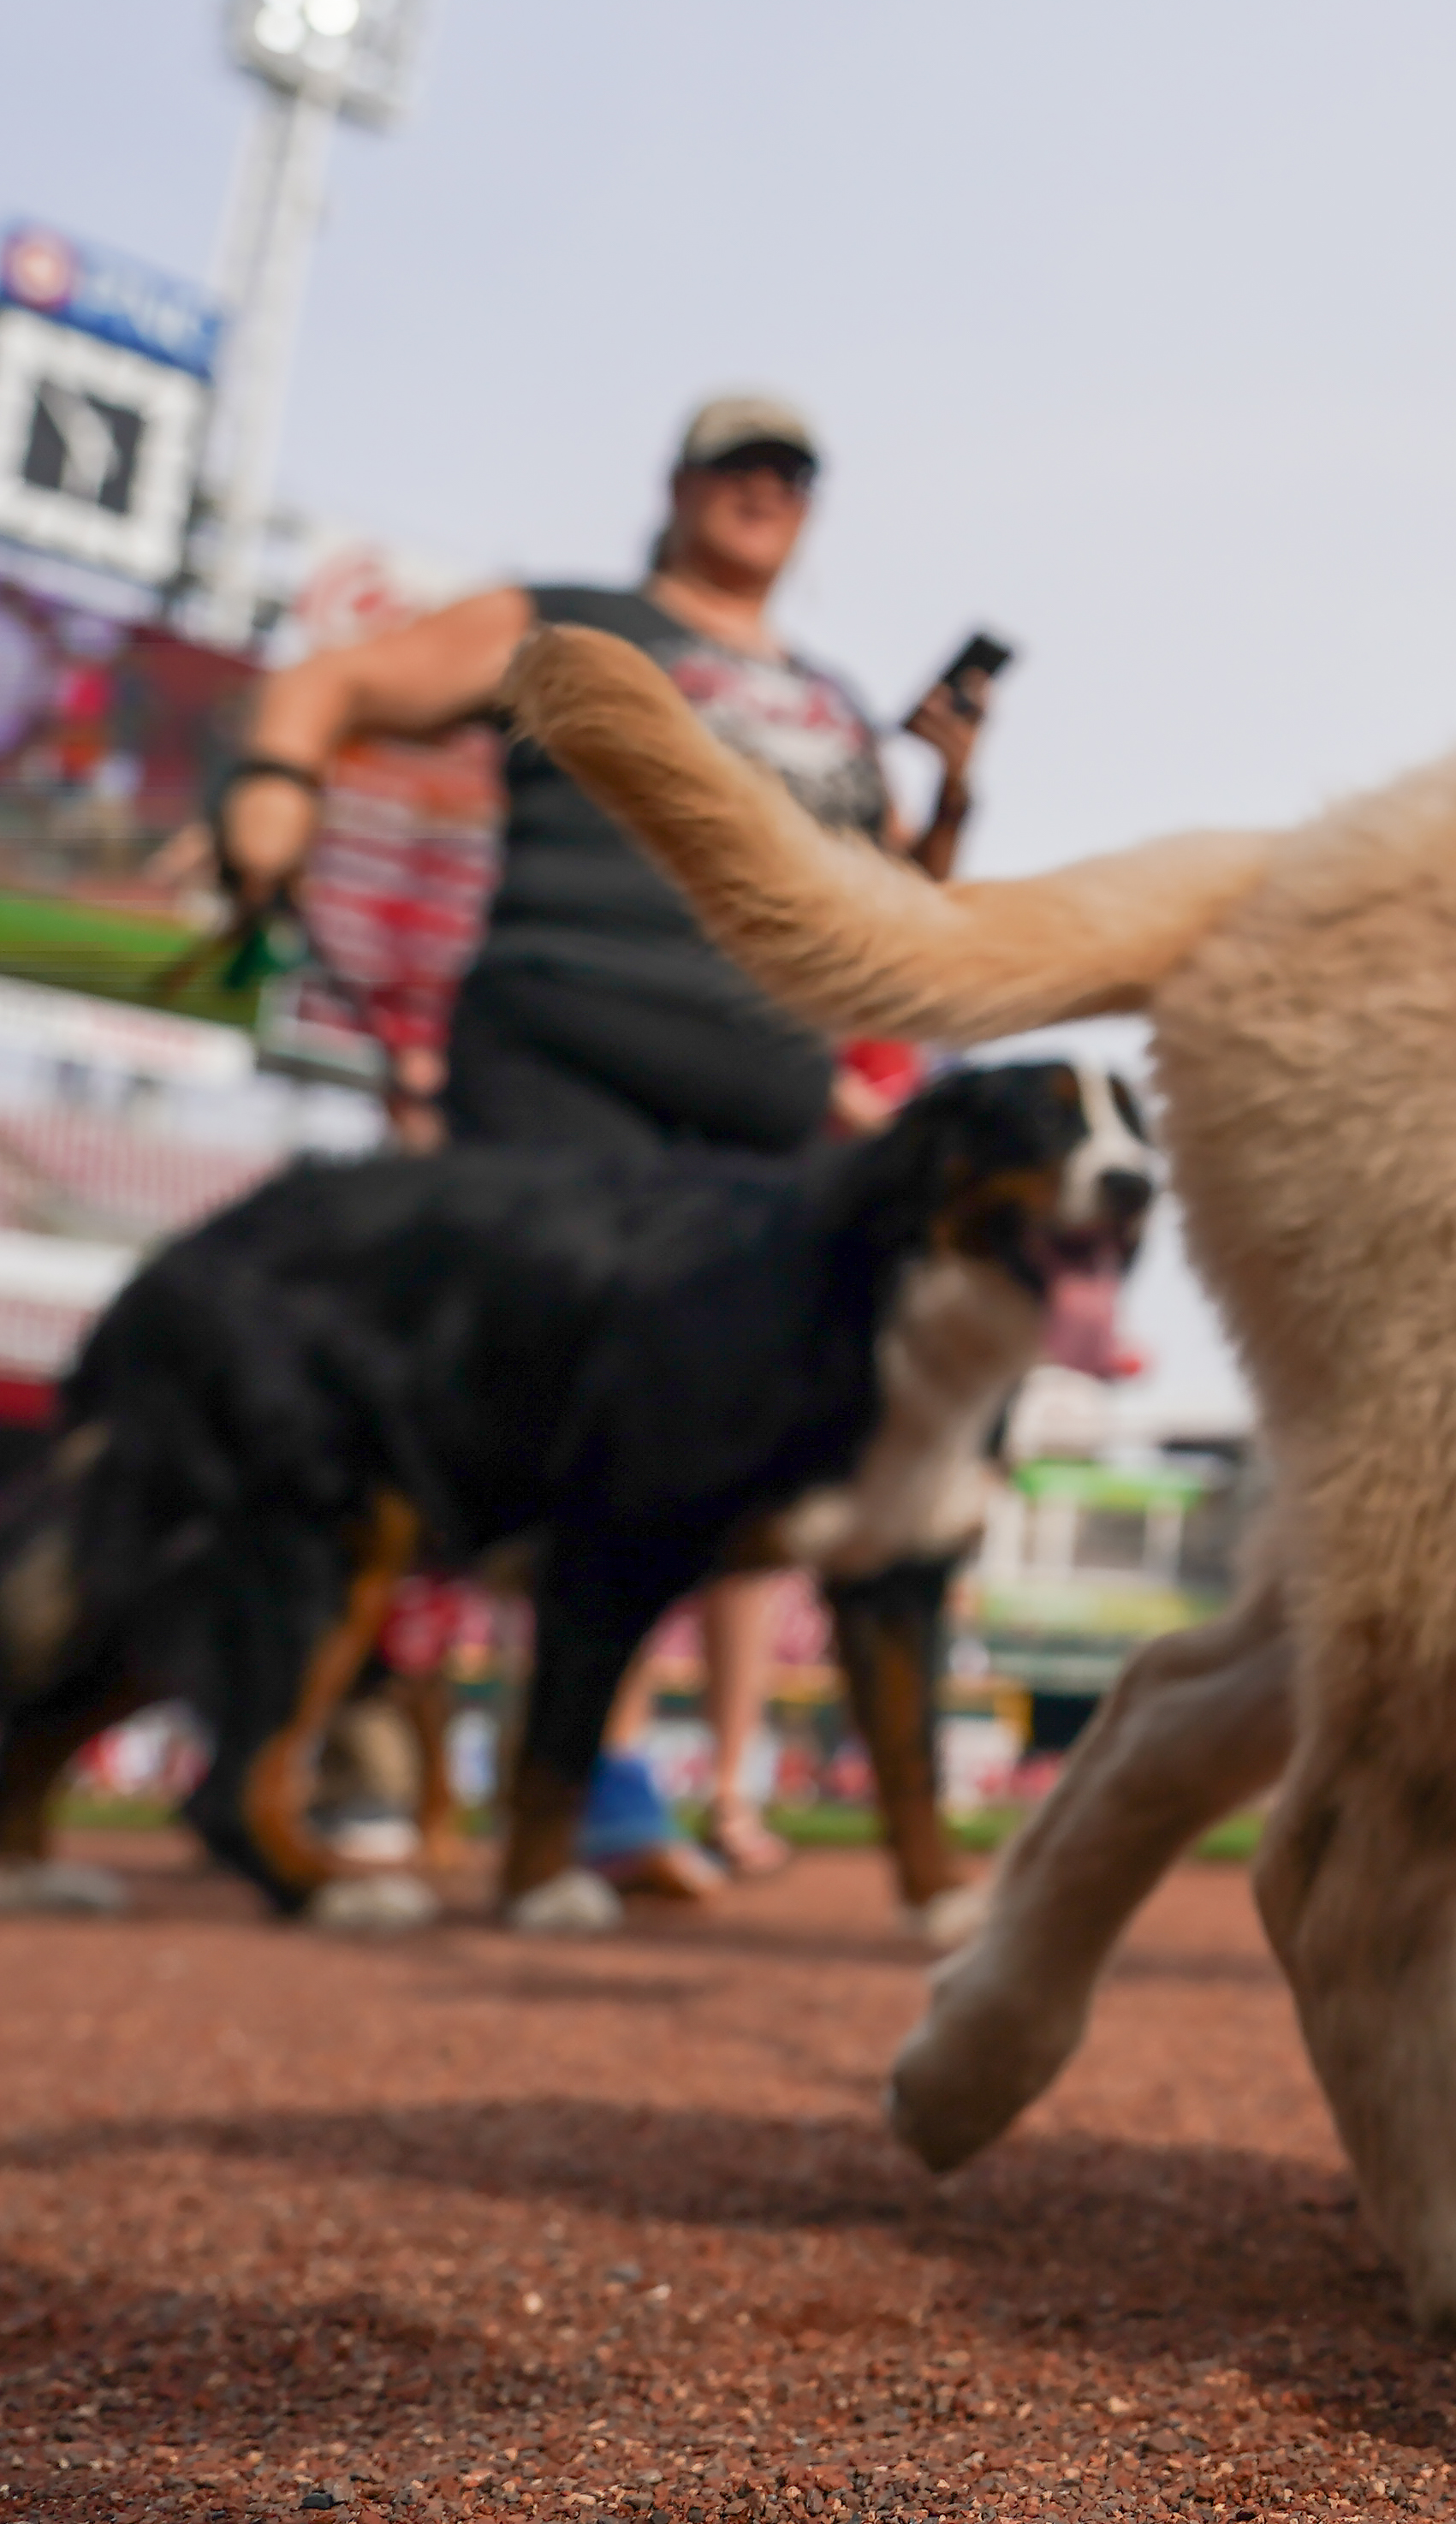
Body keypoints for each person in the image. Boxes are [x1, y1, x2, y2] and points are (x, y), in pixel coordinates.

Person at [217, 391, 989, 1879]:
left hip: (763, 1116)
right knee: (481, 1420)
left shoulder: (831, 704)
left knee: (707, 1461)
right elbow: (326, 683)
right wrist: (268, 794)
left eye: (791, 473)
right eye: (737, 464)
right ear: (681, 481)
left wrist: (950, 790)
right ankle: (359, 1718)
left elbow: (889, 907)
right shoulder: (569, 621)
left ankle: (594, 1773)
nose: (764, 490)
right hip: (561, 1072)